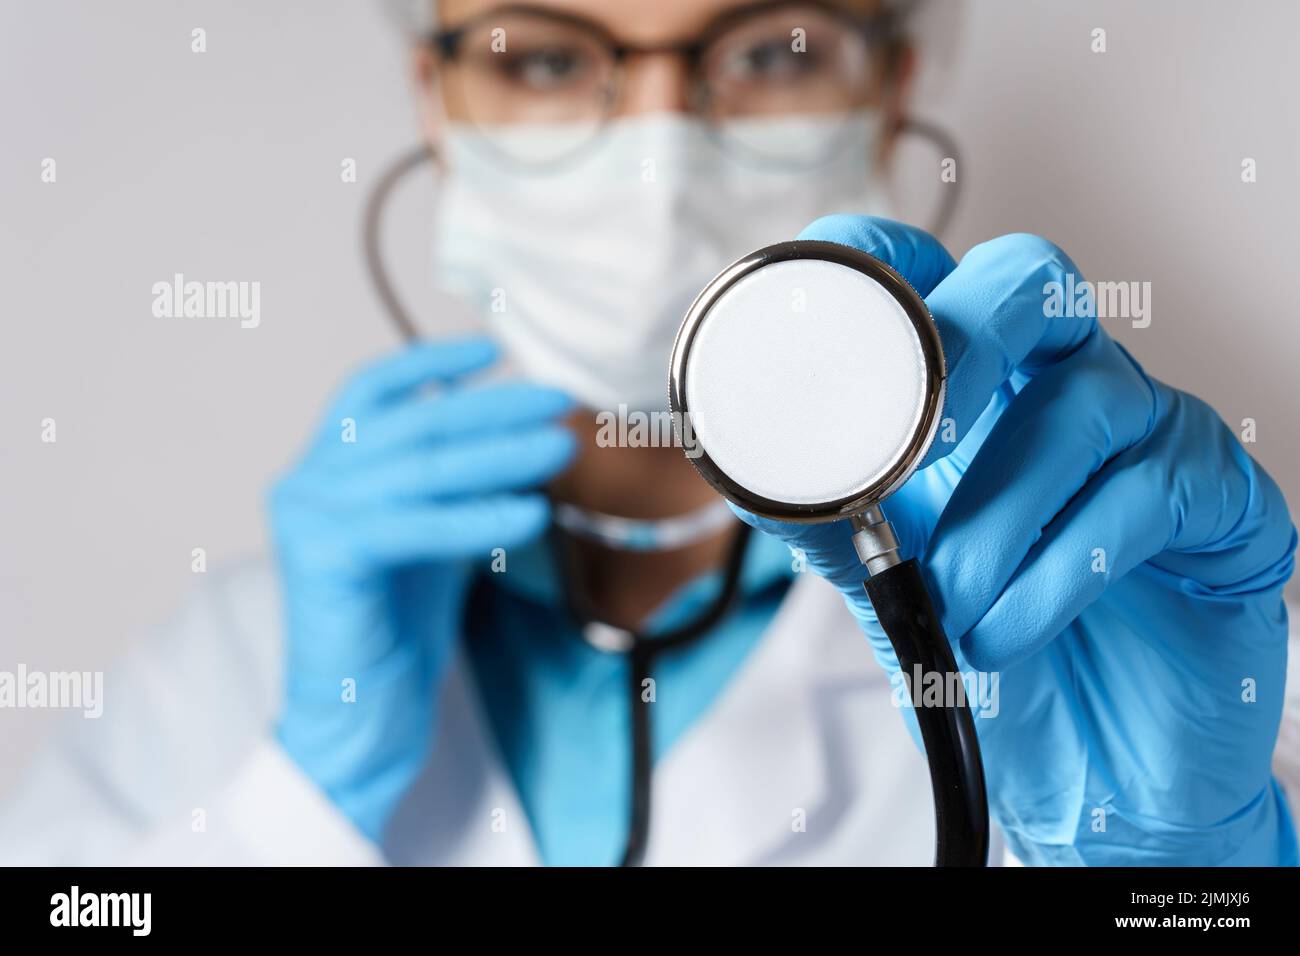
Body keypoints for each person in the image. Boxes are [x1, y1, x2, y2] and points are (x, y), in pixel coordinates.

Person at [2, 0, 1297, 867]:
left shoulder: (1127, 615)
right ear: (437, 104)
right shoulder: (241, 656)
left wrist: (1184, 884)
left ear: (893, 88)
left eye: (774, 48)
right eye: (548, 55)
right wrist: (299, 798)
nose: (660, 149)